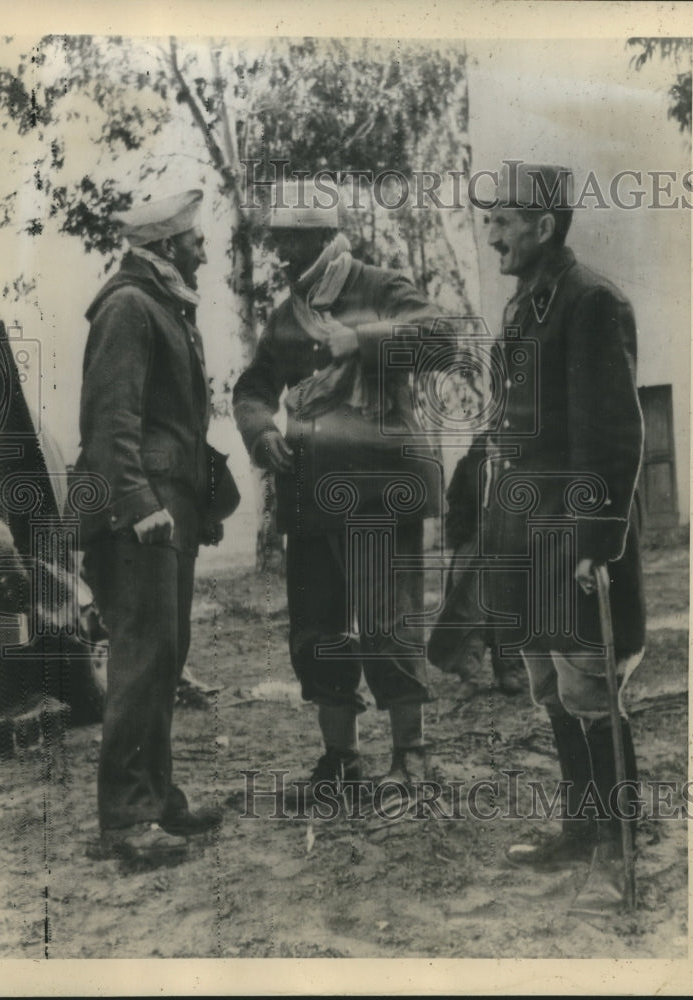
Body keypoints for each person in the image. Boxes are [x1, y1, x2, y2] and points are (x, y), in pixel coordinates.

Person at [233, 182, 449, 806]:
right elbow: (252, 389)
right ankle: (341, 761)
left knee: (387, 624)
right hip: (309, 494)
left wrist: (364, 339)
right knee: (317, 631)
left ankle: (412, 757)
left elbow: (442, 339)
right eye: (277, 242)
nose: (280, 255)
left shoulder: (379, 286)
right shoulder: (287, 316)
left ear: (324, 237)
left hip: (377, 490)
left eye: (291, 242)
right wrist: (262, 430)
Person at [481, 163, 645, 913]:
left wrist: (594, 542)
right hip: (523, 528)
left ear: (543, 226)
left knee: (588, 687)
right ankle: (580, 826)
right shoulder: (525, 305)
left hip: (568, 532)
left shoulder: (590, 302)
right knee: (550, 684)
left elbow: (610, 435)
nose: (493, 237)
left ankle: (617, 844)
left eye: (503, 223)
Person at [75, 189, 224, 868]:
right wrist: (140, 505)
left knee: (163, 656)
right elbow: (111, 422)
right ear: (165, 247)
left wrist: (193, 503)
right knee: (141, 659)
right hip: (138, 517)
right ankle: (127, 820)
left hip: (166, 512)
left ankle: (157, 799)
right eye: (194, 241)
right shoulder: (129, 306)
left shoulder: (160, 304)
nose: (203, 250)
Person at [426, 433, 527, 697]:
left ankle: (509, 670)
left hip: (509, 541)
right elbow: (453, 501)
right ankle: (469, 675)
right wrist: (460, 537)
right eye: (493, 439)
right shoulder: (469, 463)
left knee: (508, 604)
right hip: (473, 539)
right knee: (469, 606)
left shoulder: (521, 462)